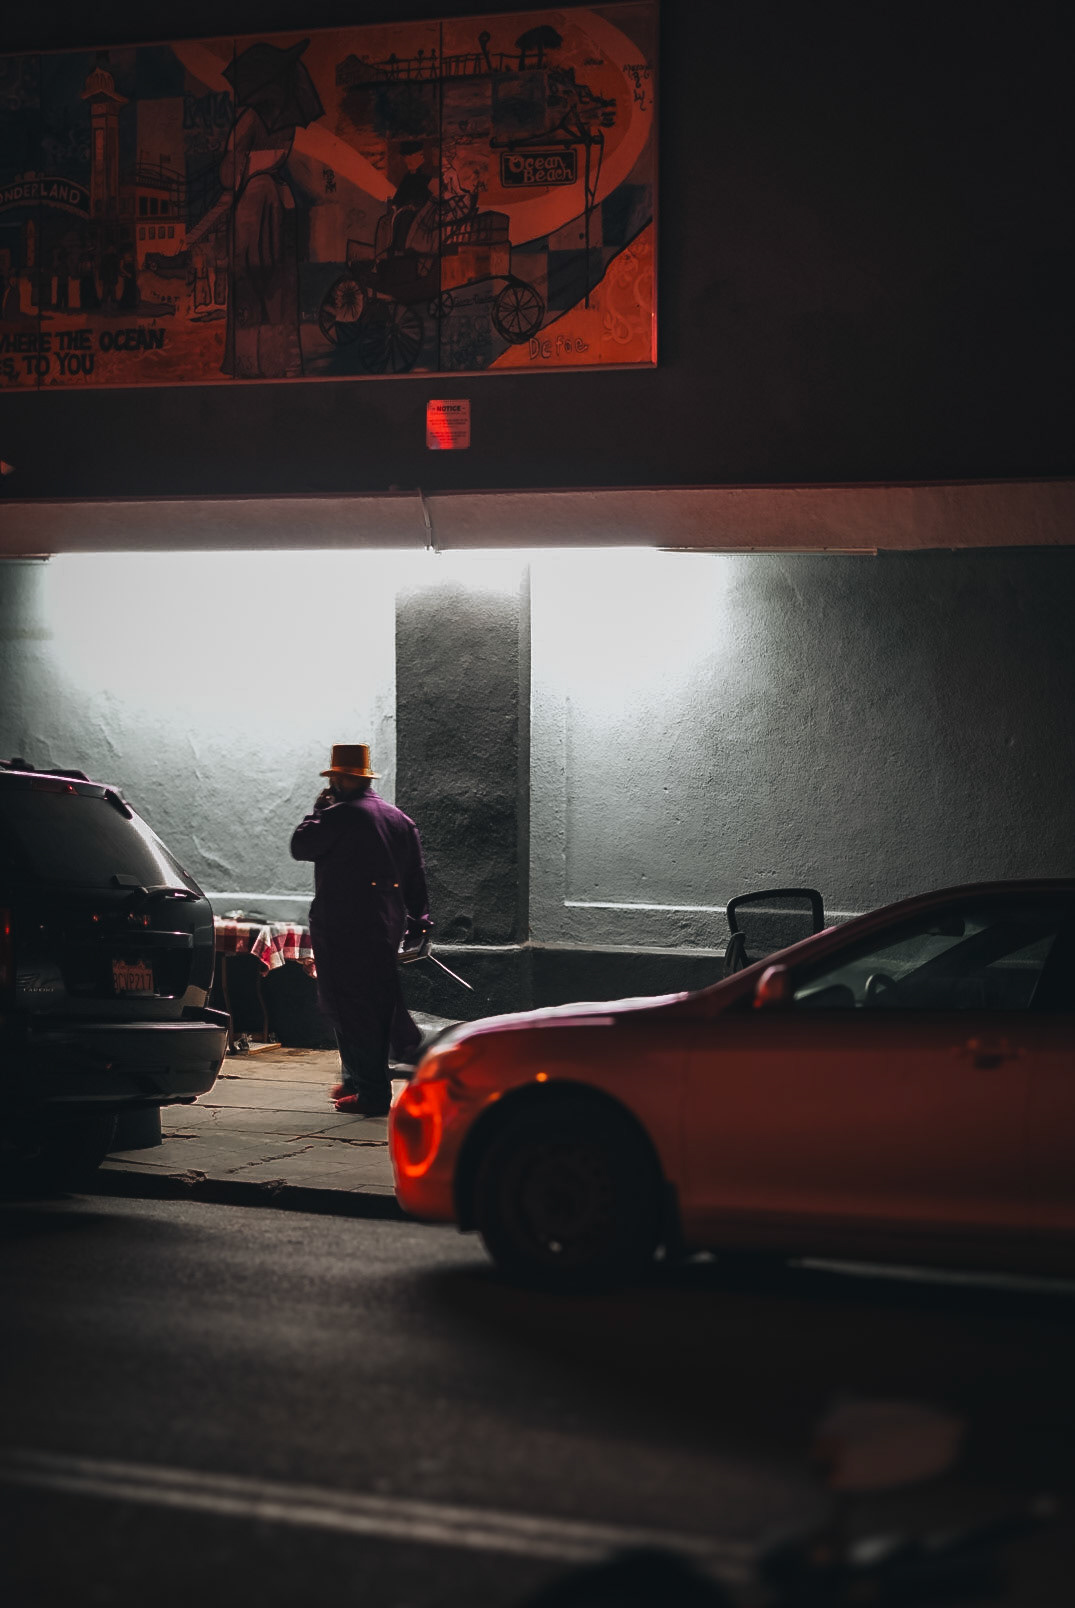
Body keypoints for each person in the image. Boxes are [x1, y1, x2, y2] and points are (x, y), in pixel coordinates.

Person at [290, 743, 431, 1116]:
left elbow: (300, 846)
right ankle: (356, 1080)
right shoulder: (398, 819)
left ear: (338, 778)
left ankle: (371, 1092)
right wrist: (420, 923)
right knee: (372, 1003)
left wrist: (317, 811)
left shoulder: (338, 816)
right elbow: (416, 877)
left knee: (351, 1006)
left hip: (344, 926)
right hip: (385, 924)